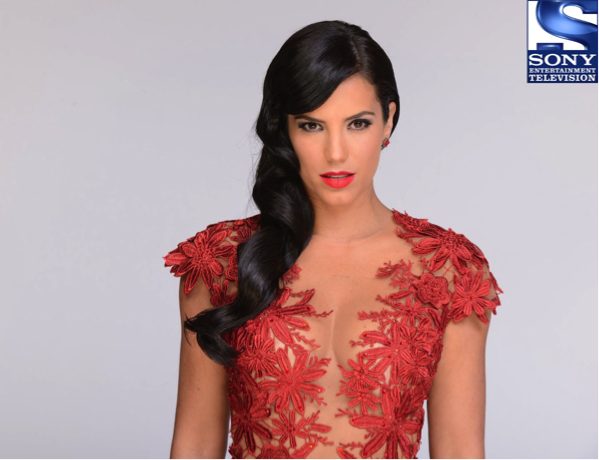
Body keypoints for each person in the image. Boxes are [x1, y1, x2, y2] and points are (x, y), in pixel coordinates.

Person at [162, 19, 504, 460]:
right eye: (312, 126)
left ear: (388, 121)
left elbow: (460, 450)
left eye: (358, 123)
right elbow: (194, 445)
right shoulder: (221, 261)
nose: (336, 152)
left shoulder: (450, 271)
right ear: (284, 129)